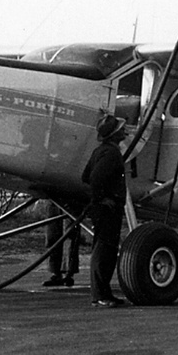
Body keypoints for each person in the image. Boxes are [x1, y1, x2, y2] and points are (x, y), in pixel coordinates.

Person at [81, 113, 129, 307]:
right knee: (105, 251)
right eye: (120, 129)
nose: (124, 131)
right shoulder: (111, 153)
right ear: (114, 134)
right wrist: (104, 198)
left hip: (102, 209)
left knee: (104, 250)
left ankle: (103, 293)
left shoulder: (99, 151)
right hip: (108, 210)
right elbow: (94, 178)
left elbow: (86, 176)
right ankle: (100, 295)